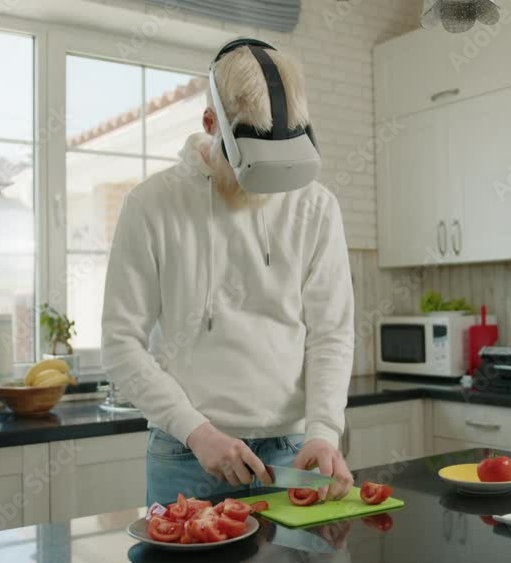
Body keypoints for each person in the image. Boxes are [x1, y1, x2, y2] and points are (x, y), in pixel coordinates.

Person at [102, 39, 355, 507]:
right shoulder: (151, 205)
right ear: (210, 123)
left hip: (295, 453)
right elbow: (120, 343)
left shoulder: (316, 205)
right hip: (186, 453)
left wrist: (324, 431)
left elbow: (331, 332)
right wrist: (196, 431)